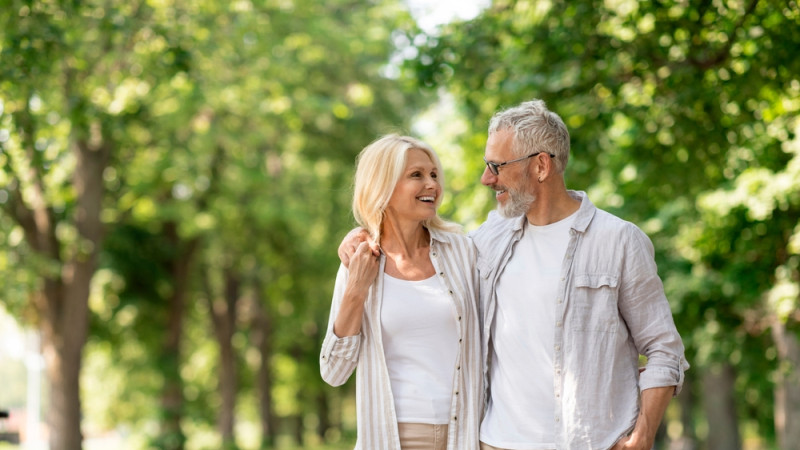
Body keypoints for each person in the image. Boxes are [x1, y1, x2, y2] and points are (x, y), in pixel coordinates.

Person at [339, 101, 689, 450]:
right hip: (497, 443)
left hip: (588, 442)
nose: (486, 178)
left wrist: (642, 436)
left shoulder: (618, 241)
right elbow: (419, 245)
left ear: (540, 165)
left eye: (497, 166)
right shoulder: (488, 241)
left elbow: (664, 349)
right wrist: (362, 235)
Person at [320, 134, 483, 450]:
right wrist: (356, 290)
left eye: (434, 174)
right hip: (393, 437)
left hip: (464, 433)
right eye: (416, 175)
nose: (431, 184)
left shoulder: (465, 252)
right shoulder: (358, 261)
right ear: (383, 187)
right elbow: (334, 372)